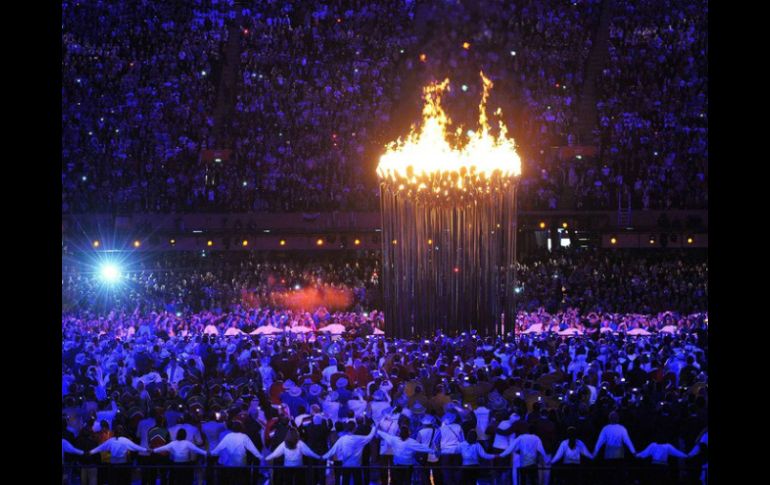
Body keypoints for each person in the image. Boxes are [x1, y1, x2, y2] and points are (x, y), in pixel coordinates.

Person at [322, 420, 378, 485]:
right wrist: (374, 427)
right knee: (357, 482)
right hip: (356, 465)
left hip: (346, 465)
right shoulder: (359, 439)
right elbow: (370, 437)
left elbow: (333, 450)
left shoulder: (342, 439)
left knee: (345, 482)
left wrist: (322, 457)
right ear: (355, 429)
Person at [210, 421, 262, 485]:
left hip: (230, 463)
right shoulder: (244, 436)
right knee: (240, 481)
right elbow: (253, 449)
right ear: (241, 428)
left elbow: (218, 448)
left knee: (231, 480)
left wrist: (209, 453)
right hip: (241, 463)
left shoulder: (228, 436)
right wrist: (261, 457)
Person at [593, 412, 636, 484]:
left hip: (609, 453)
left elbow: (600, 442)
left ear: (609, 419)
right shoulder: (622, 428)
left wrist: (595, 452)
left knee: (610, 474)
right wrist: (633, 451)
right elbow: (627, 441)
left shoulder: (605, 428)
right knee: (618, 474)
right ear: (618, 419)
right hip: (619, 453)